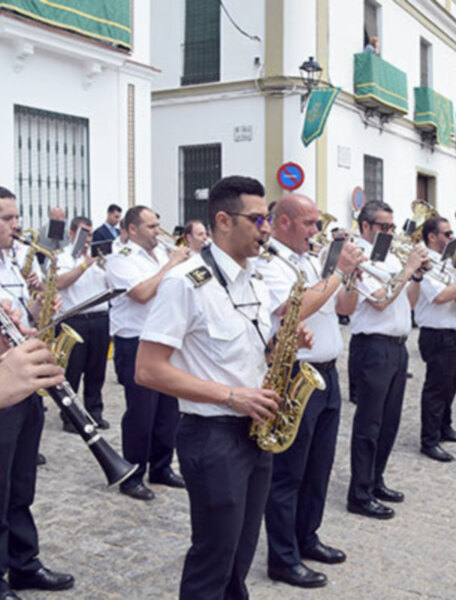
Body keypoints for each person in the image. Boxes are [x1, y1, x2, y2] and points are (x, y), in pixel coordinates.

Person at [135, 175, 287, 600]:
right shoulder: (185, 281)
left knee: (240, 554)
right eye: (258, 219)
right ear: (223, 220)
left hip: (256, 431)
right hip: (213, 435)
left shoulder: (255, 280)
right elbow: (147, 370)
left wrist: (277, 346)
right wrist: (233, 396)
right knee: (213, 556)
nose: (267, 228)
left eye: (268, 218)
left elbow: (242, 353)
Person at [254, 195, 362, 589]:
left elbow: (343, 306)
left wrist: (349, 279)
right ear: (282, 222)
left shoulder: (311, 261)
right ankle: (282, 557)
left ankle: (307, 536)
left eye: (318, 224)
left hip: (328, 374)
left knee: (319, 467)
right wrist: (337, 273)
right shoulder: (272, 264)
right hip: (296, 372)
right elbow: (291, 311)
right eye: (309, 224)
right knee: (288, 473)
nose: (317, 232)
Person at [0, 187, 74, 599]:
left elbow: (21, 316)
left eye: (16, 216)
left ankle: (24, 563)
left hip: (24, 381)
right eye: (7, 219)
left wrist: (36, 305)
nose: (17, 226)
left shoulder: (14, 262)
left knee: (21, 481)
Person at [347, 200, 426, 519]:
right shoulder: (360, 257)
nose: (391, 232)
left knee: (390, 421)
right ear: (365, 227)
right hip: (373, 346)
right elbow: (379, 301)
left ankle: (376, 479)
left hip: (397, 345)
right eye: (384, 227)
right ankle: (359, 492)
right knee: (369, 422)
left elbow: (408, 302)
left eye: (393, 227)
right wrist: (407, 269)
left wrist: (416, 276)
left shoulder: (392, 255)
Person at [106, 206, 191, 500]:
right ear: (132, 230)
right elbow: (141, 294)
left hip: (166, 340)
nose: (158, 231)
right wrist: (170, 266)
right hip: (135, 342)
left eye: (158, 225)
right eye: (151, 226)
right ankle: (132, 474)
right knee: (141, 413)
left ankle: (161, 466)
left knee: (168, 411)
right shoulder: (121, 260)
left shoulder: (160, 256)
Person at [416, 216, 456, 463]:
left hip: (453, 332)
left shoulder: (447, 263)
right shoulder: (425, 263)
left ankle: (444, 427)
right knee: (436, 389)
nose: (452, 238)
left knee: (450, 385)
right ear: (432, 236)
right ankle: (429, 440)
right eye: (447, 234)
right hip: (436, 334)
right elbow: (440, 296)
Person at [55, 217, 111, 431]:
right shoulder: (63, 258)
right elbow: (60, 282)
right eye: (82, 234)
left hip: (99, 319)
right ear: (71, 234)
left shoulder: (98, 258)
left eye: (89, 234)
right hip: (74, 319)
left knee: (97, 371)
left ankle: (94, 412)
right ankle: (70, 417)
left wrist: (105, 265)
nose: (87, 239)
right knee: (72, 372)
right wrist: (83, 266)